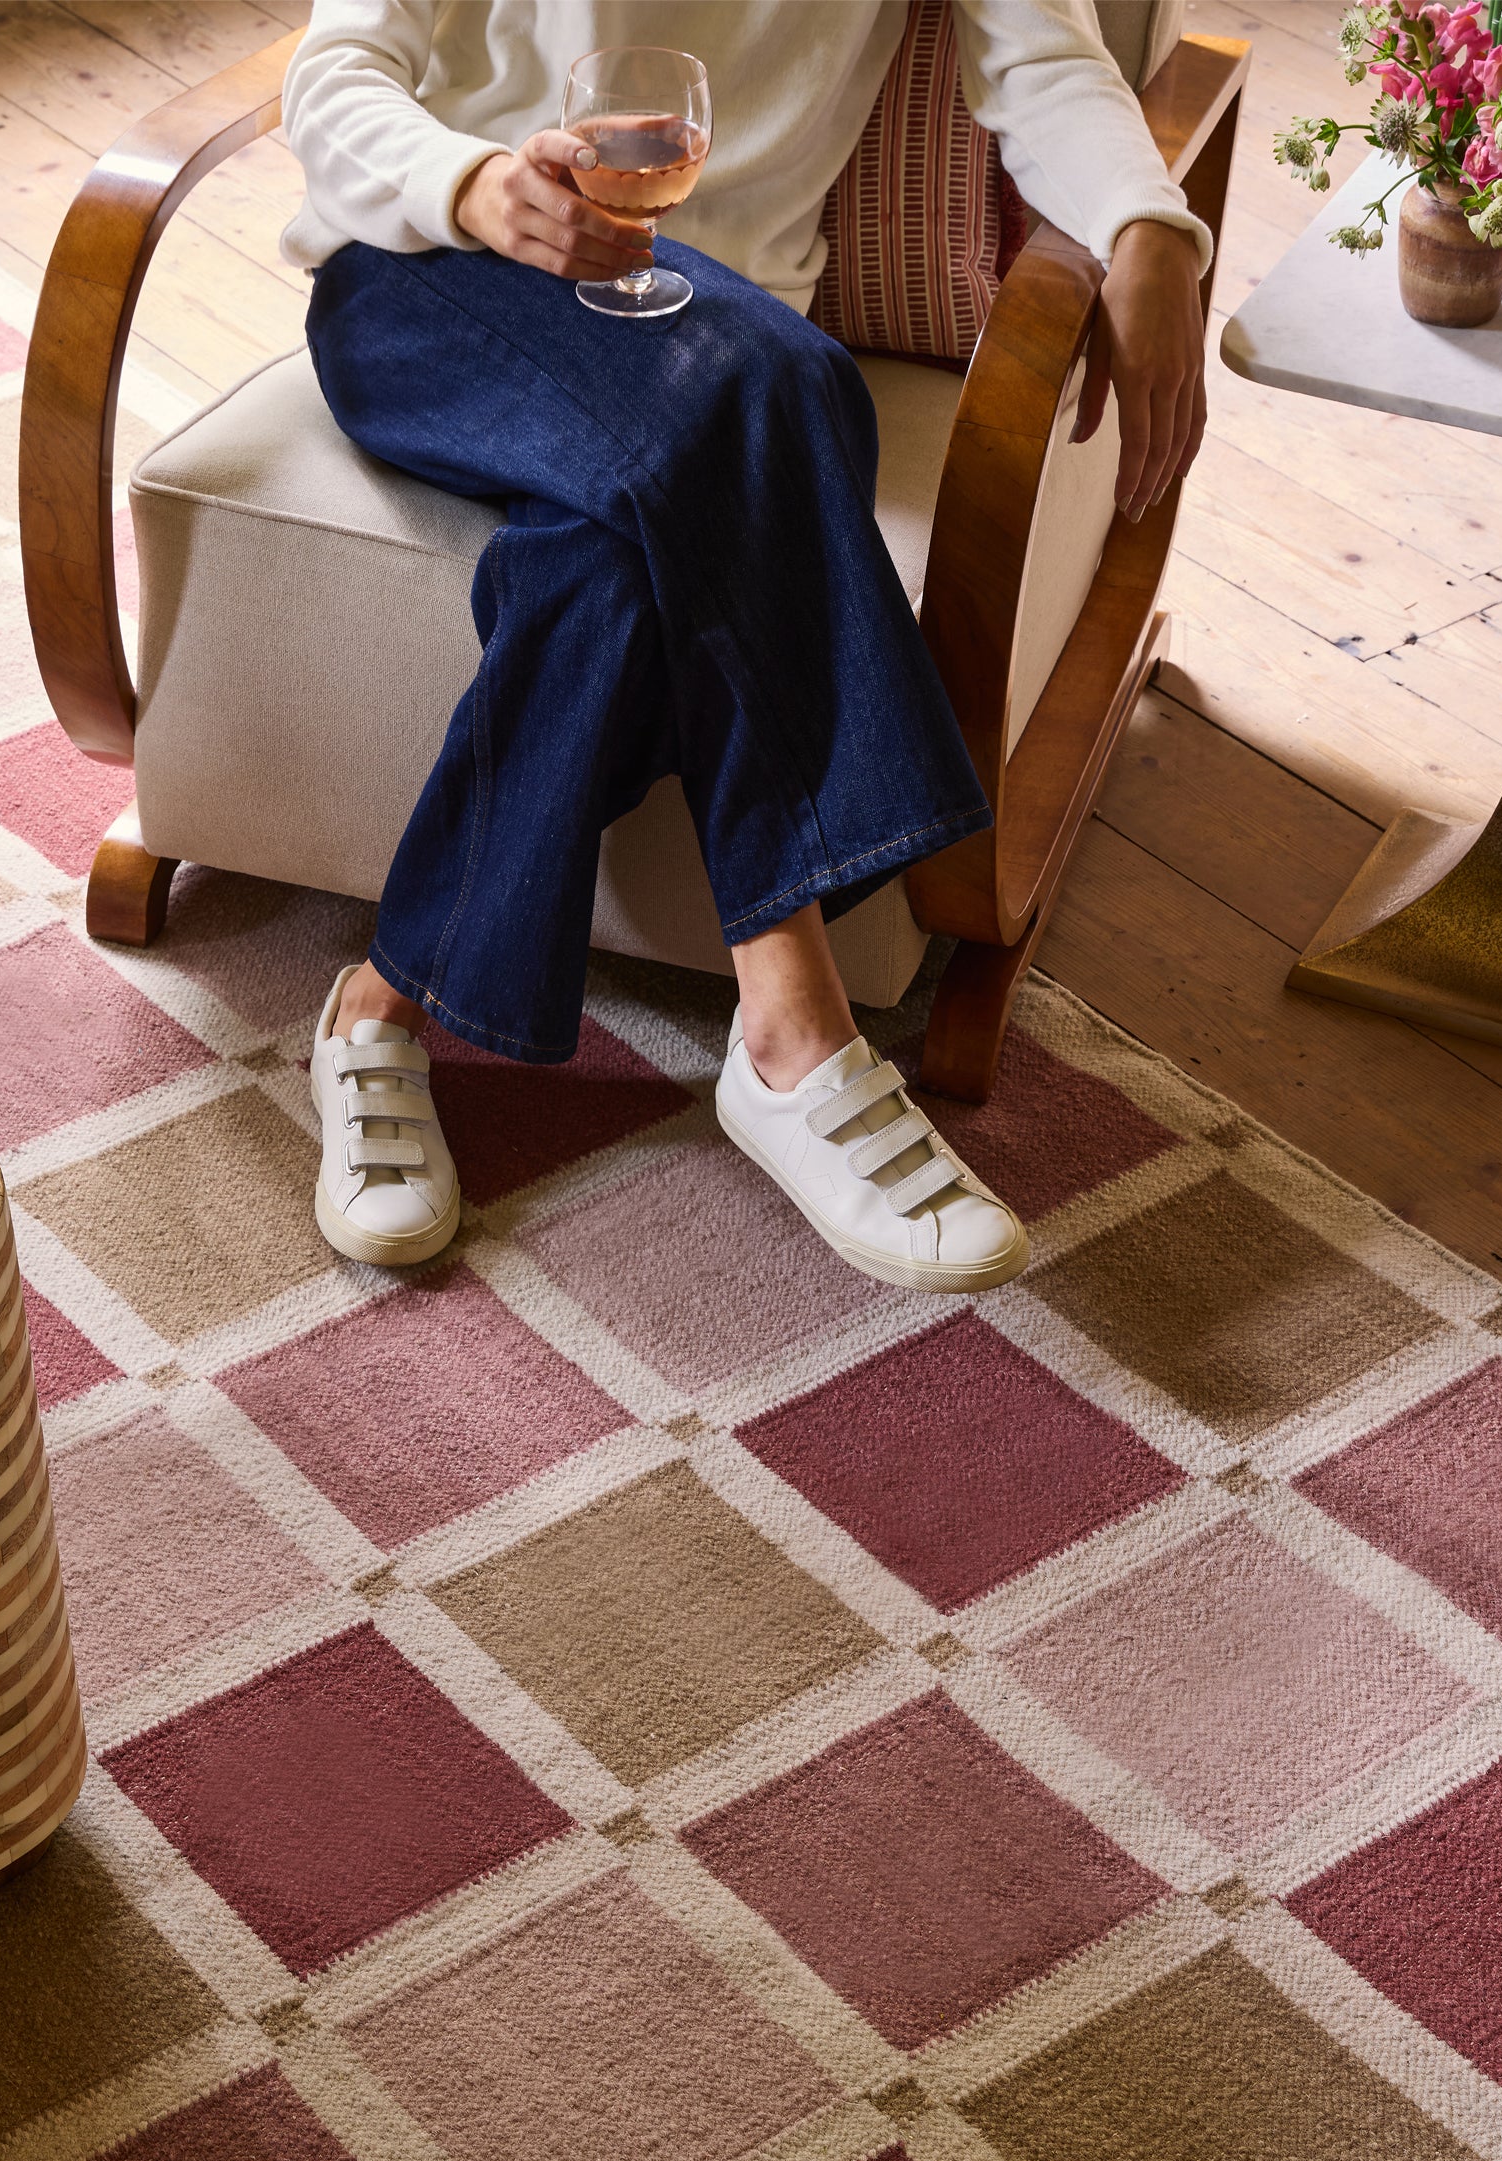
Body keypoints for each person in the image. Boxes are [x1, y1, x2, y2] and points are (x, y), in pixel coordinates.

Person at [284, 1, 1210, 1290]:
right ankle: (794, 1031)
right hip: (430, 275)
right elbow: (336, 72)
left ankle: (385, 998)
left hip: (705, 329)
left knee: (617, 563)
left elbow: (1041, 59)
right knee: (788, 395)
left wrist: (1148, 228)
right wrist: (477, 184)